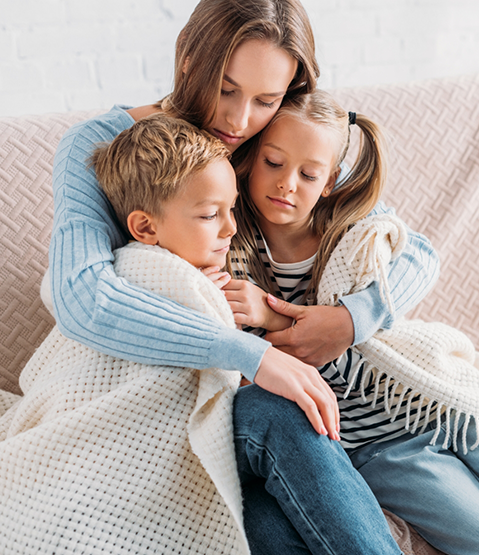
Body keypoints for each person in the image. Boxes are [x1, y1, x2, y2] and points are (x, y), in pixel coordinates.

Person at [46, 0, 439, 552]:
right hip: (169, 401)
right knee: (272, 433)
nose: (237, 120)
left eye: (265, 99)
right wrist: (251, 354)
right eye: (225, 88)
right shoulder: (100, 147)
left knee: (264, 519)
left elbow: (414, 251)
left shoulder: (274, 144)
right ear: (188, 59)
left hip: (245, 405)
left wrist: (350, 320)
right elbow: (83, 298)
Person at [227, 89, 479, 555]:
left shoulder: (351, 225)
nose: (287, 184)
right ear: (250, 159)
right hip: (380, 449)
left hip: (436, 402)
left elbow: (420, 256)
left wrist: (349, 319)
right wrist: (267, 317)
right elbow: (271, 366)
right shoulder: (234, 243)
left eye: (308, 174)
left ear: (329, 182)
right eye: (274, 163)